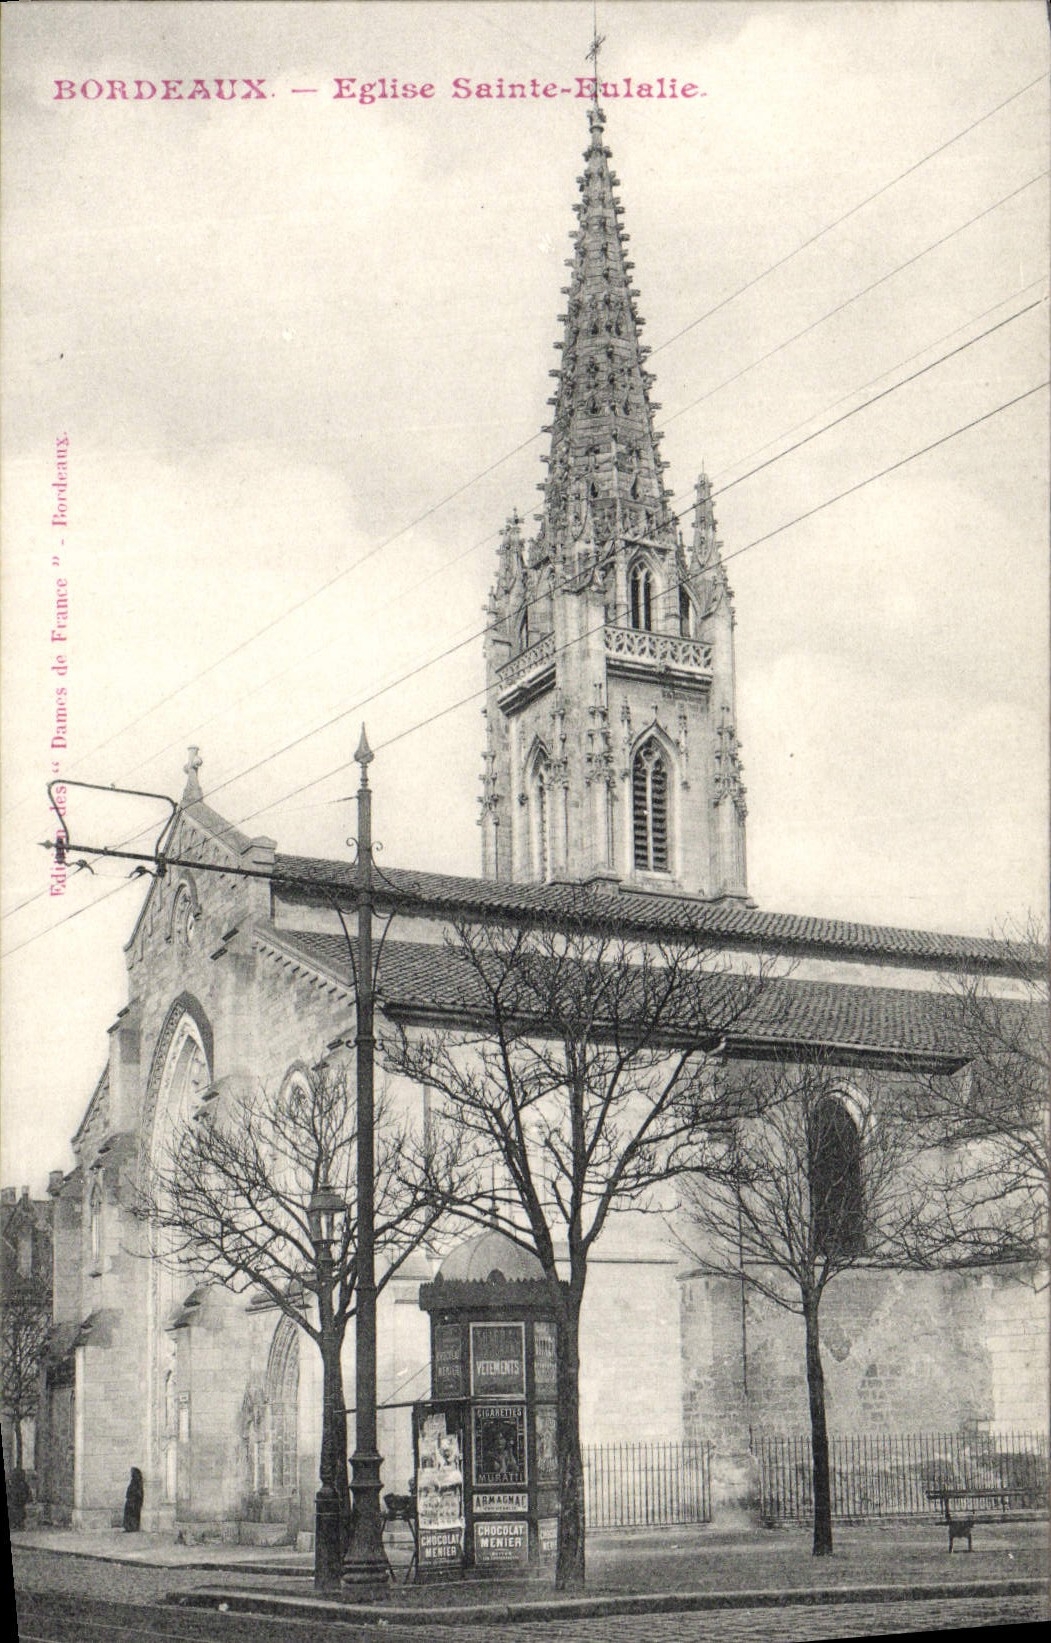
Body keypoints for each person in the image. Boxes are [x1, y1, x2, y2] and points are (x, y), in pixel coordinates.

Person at [6, 1466, 31, 1531]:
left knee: (16, 1512)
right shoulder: (12, 1485)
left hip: (17, 1505)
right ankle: (17, 1524)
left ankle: (17, 1524)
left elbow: (27, 1496)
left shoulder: (22, 1485)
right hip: (16, 1506)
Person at [123, 1466, 144, 1532]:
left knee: (133, 1514)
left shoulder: (137, 1482)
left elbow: (138, 1493)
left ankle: (133, 1528)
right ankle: (129, 1527)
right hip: (130, 1501)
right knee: (129, 1514)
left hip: (134, 1502)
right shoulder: (134, 1481)